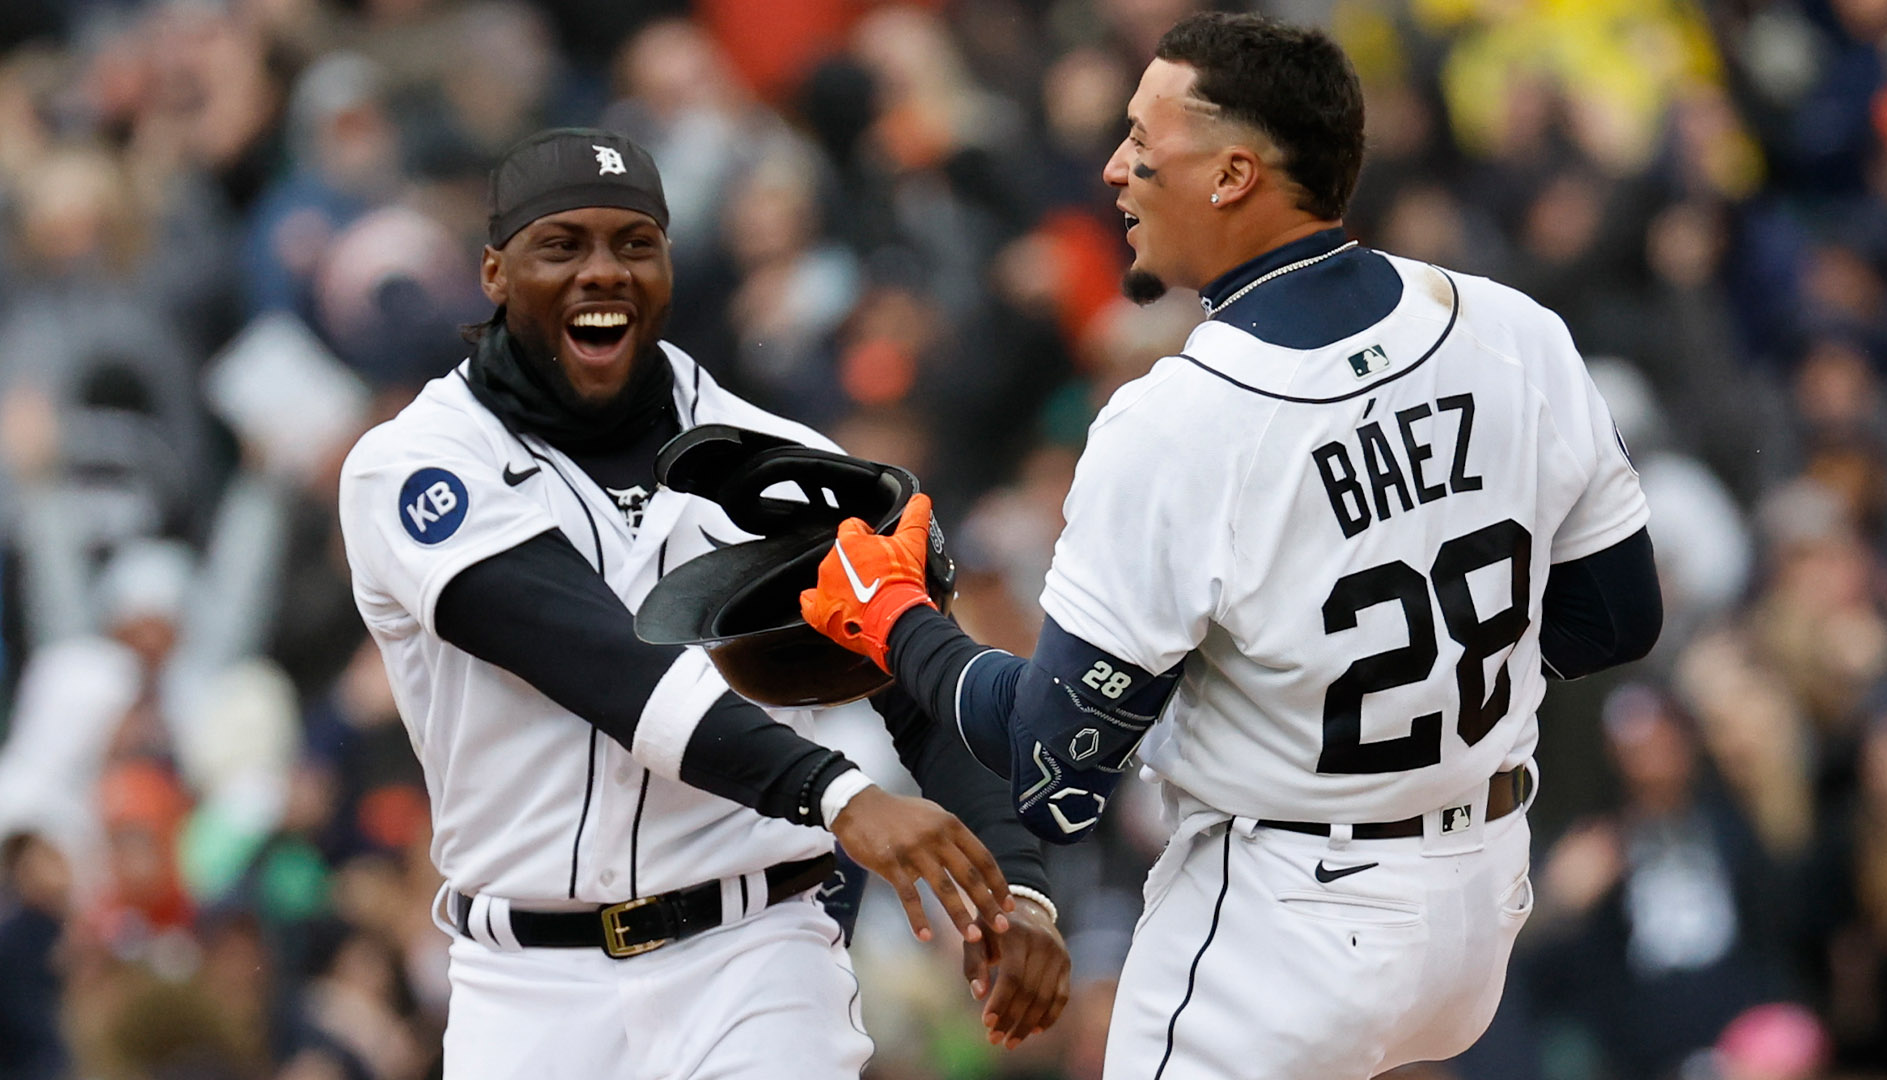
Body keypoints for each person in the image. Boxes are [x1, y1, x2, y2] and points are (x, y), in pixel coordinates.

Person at [799, 13, 1662, 1080]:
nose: (1114, 167)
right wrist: (1403, 704)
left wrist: (898, 626)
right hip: (1480, 895)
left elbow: (1054, 772)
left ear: (1233, 175)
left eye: (1141, 141)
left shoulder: (1180, 420)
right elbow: (1618, 618)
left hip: (1287, 920)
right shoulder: (1510, 326)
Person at [337, 128, 1069, 1080]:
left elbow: (921, 682)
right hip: (527, 989)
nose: (603, 271)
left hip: (754, 958)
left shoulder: (778, 459)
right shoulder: (415, 465)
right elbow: (594, 656)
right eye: (563, 245)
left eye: (634, 244)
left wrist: (1016, 892)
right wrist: (837, 793)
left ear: (669, 266)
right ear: (493, 271)